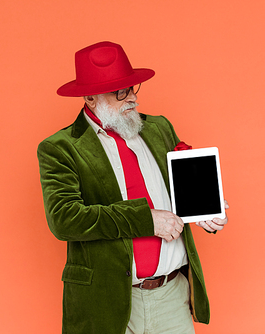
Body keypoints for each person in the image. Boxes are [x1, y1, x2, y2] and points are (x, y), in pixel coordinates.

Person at [37, 41, 229, 334]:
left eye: (131, 88)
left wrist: (204, 212)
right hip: (107, 301)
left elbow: (180, 190)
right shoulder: (61, 148)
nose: (131, 99)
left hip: (171, 296)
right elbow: (65, 219)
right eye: (120, 92)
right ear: (90, 97)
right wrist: (146, 220)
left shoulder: (159, 128)